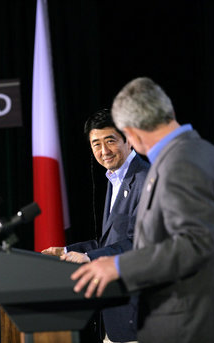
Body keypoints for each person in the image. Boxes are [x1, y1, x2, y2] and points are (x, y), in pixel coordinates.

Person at [71, 77, 214, 343]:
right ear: (170, 112)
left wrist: (118, 265)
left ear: (130, 133)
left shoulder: (178, 164)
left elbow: (193, 245)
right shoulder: (207, 154)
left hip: (187, 326)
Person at [42, 109, 150, 343]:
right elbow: (110, 242)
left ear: (128, 138)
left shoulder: (144, 179)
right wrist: (68, 252)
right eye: (96, 144)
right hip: (117, 316)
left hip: (140, 318)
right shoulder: (115, 178)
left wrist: (90, 257)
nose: (103, 151)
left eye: (110, 141)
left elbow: (141, 243)